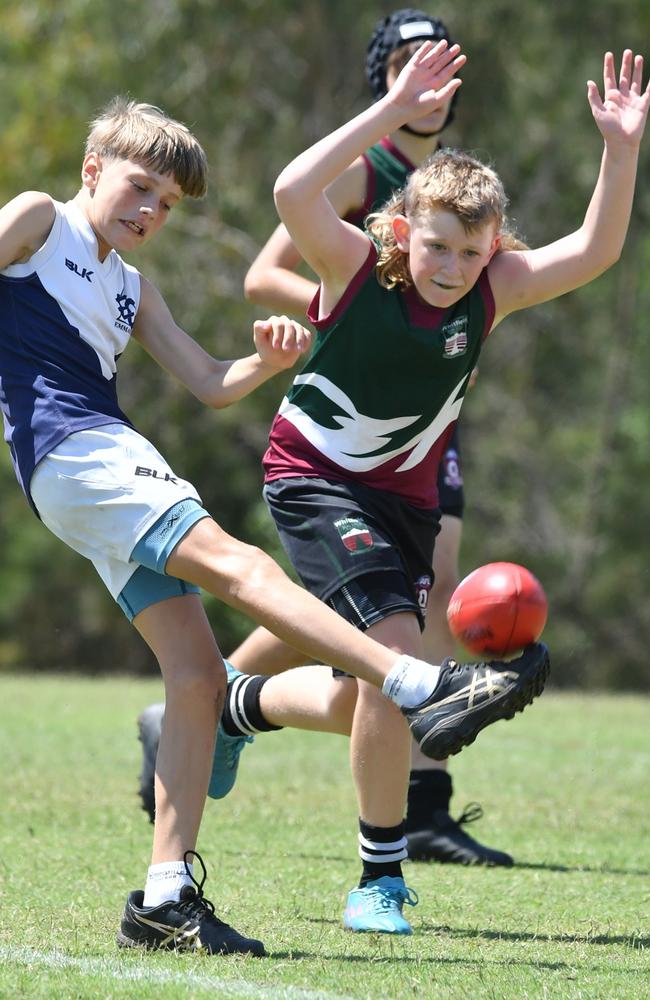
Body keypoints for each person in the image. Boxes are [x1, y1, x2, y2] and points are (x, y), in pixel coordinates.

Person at [0, 93, 547, 952]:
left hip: (90, 463)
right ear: (91, 169)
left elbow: (212, 381)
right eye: (138, 187)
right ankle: (416, 684)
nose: (149, 212)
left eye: (166, 205)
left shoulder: (131, 287)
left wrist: (273, 357)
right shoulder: (39, 219)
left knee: (195, 677)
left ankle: (164, 899)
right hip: (76, 452)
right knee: (244, 566)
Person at [223, 38, 643, 937]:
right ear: (407, 233)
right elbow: (292, 192)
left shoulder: (493, 291)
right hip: (314, 476)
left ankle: (238, 702)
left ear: (495, 248)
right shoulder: (353, 267)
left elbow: (598, 249)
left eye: (471, 251)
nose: (451, 267)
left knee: (373, 690)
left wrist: (621, 147)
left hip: (405, 505)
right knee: (396, 647)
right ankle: (379, 879)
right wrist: (389, 108)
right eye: (438, 247)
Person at [137, 8, 513, 870]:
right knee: (383, 620)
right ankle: (405, 803)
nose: (428, 80)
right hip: (345, 426)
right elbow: (265, 272)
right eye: (409, 64)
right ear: (385, 76)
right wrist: (349, 313)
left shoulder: (459, 192)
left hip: (419, 425)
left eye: (441, 65)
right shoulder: (367, 167)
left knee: (408, 599)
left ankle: (238, 705)